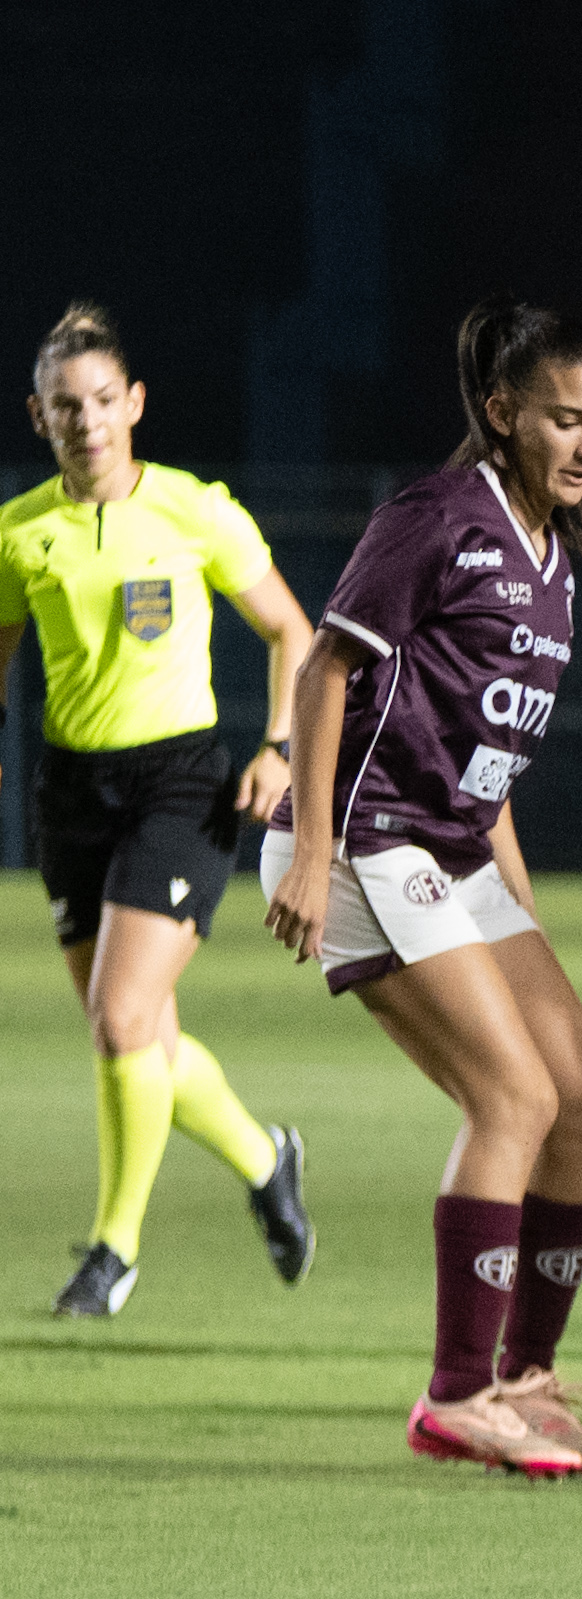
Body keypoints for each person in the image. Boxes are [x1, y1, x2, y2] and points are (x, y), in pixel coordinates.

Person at [262, 297, 582, 1475]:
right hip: (364, 838)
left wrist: (520, 918)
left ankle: (526, 1376)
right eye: (567, 420)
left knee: (581, 1102)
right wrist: (311, 851)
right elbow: (323, 673)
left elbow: (489, 762)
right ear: (503, 409)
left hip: (453, 848)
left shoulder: (560, 555)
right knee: (511, 1099)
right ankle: (455, 1397)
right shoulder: (436, 516)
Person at [0, 302, 315, 1319]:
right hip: (70, 792)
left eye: (101, 401)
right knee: (142, 1038)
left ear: (133, 404)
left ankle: (114, 1251)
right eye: (64, 408)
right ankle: (266, 1162)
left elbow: (290, 631)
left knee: (121, 1019)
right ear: (39, 419)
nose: (85, 421)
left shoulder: (193, 511)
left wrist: (277, 748)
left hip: (182, 783)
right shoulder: (19, 533)